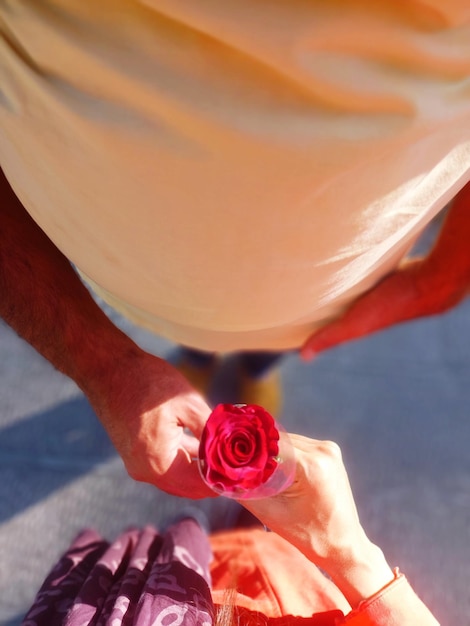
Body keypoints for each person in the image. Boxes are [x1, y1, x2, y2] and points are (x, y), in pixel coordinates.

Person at [1, 1, 470, 498]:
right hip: (149, 293)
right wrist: (102, 364)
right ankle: (198, 355)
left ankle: (252, 367)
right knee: (202, 332)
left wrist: (445, 274)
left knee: (276, 348)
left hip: (311, 313)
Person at [20, 434, 440, 625]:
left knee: (215, 530)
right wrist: (353, 556)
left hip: (195, 573)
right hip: (282, 570)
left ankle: (210, 530)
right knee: (251, 522)